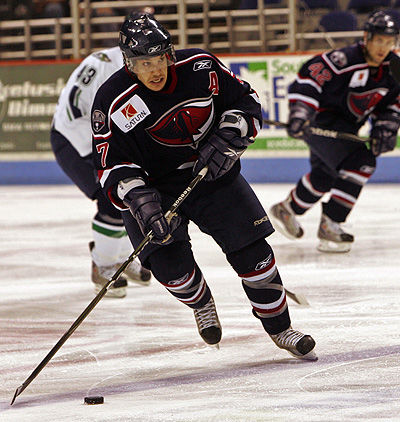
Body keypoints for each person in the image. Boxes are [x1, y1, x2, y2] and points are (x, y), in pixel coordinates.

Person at [91, 12, 317, 359]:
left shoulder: (201, 67)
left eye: (159, 59)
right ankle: (201, 302)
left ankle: (281, 328)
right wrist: (139, 200)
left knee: (256, 257)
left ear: (169, 53)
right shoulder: (112, 100)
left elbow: (247, 101)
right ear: (129, 64)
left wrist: (230, 135)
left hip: (212, 176)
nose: (154, 70)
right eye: (143, 62)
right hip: (155, 192)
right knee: (171, 270)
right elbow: (110, 164)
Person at [269, 10, 400, 253]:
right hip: (320, 123)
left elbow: (393, 103)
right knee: (362, 162)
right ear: (367, 37)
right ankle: (332, 222)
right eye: (379, 40)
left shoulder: (394, 68)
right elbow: (310, 79)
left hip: (348, 127)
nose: (384, 47)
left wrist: (387, 126)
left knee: (324, 177)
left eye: (389, 41)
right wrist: (300, 112)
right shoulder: (344, 59)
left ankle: (288, 210)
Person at [51, 46, 151, 299]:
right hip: (75, 138)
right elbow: (76, 109)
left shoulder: (136, 62)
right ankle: (103, 265)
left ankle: (119, 259)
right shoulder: (108, 65)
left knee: (135, 190)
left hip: (99, 135)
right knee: (111, 196)